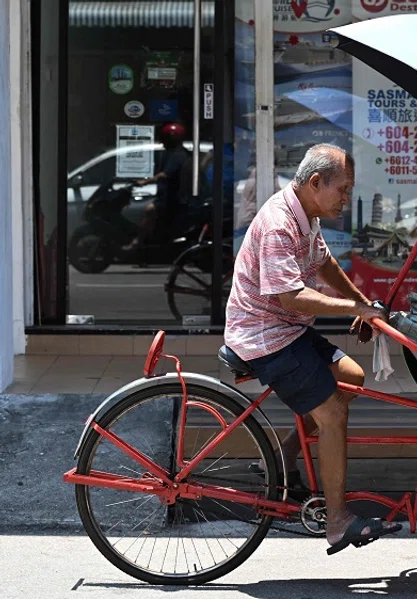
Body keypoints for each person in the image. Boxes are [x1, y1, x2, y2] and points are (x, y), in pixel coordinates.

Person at [224, 143, 400, 555]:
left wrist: (365, 305)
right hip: (265, 335)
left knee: (352, 380)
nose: (346, 198)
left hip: (290, 331)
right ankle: (338, 523)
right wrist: (355, 307)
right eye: (343, 189)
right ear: (316, 182)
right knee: (333, 410)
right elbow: (292, 297)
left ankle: (285, 457)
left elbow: (323, 264)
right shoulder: (279, 222)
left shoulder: (308, 214)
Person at [123, 122, 191, 255]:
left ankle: (139, 242)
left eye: (165, 138)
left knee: (150, 210)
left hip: (174, 199)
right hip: (167, 196)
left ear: (173, 138)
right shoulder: (170, 153)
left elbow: (165, 174)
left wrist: (145, 181)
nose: (162, 141)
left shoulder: (178, 155)